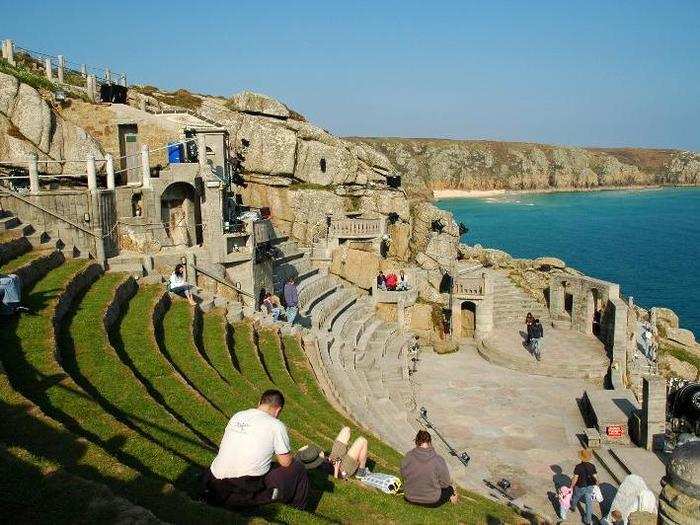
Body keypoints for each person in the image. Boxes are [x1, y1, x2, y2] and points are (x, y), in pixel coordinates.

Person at [203, 389, 309, 509]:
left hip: (214, 476)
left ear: (259, 402)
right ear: (278, 409)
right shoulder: (276, 425)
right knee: (298, 467)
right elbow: (286, 462)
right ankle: (299, 508)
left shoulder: (238, 415)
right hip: (242, 482)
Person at [401, 430, 458, 507]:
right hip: (431, 501)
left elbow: (403, 475)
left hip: (409, 497)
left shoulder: (408, 456)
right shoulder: (438, 459)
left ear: (416, 441)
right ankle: (452, 497)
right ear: (430, 442)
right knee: (449, 489)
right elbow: (445, 484)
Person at [560, 449, 598, 524]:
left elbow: (575, 478)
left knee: (575, 497)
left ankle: (573, 507)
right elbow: (595, 477)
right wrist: (596, 484)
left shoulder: (578, 467)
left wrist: (571, 486)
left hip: (580, 487)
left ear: (581, 458)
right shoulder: (592, 466)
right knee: (589, 504)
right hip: (590, 487)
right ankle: (588, 520)